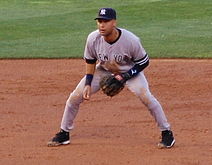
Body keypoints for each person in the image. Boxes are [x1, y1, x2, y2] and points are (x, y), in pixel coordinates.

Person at [47, 7, 175, 149]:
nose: (102, 25)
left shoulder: (130, 40)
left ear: (114, 22)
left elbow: (143, 62)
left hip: (130, 72)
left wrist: (125, 76)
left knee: (146, 96)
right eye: (100, 21)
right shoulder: (93, 39)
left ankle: (166, 133)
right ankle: (64, 133)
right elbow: (90, 61)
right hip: (104, 70)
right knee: (74, 97)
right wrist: (88, 83)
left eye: (105, 21)